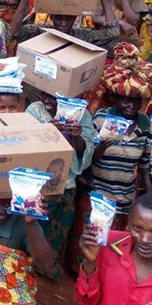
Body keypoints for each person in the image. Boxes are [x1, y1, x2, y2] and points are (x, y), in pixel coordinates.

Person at [76, 193, 152, 305]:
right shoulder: (105, 244)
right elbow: (87, 303)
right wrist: (89, 263)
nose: (144, 239)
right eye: (137, 228)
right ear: (128, 223)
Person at [26, 90, 95, 277]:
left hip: (66, 185)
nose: (46, 100)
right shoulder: (35, 110)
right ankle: (30, 267)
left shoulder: (81, 114)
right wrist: (48, 130)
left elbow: (86, 154)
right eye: (44, 95)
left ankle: (48, 270)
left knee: (58, 231)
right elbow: (26, 143)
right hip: (40, 183)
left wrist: (76, 137)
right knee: (34, 228)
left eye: (53, 97)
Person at [91, 43, 152, 222]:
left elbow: (144, 164)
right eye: (125, 100)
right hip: (97, 198)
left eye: (136, 101)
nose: (131, 105)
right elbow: (88, 159)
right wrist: (101, 147)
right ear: (114, 98)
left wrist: (148, 192)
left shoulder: (146, 125)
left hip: (126, 201)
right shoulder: (101, 118)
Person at [11, 0, 121, 54]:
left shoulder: (82, 36)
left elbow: (113, 33)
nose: (63, 24)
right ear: (52, 17)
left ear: (75, 18)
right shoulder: (41, 32)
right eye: (59, 18)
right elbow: (15, 32)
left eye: (68, 19)